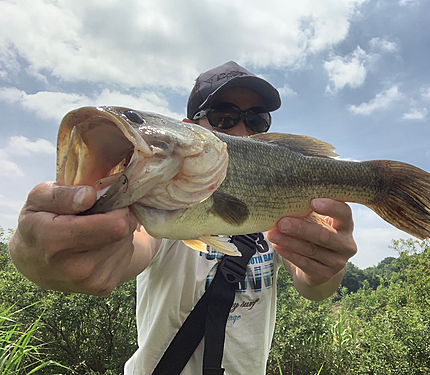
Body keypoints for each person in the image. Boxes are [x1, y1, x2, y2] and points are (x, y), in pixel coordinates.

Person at [9, 61, 357, 374]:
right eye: (223, 117)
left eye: (256, 120)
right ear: (190, 128)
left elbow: (313, 287)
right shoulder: (154, 203)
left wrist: (329, 267)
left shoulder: (282, 205)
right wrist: (41, 254)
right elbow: (128, 248)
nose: (241, 131)